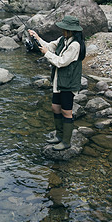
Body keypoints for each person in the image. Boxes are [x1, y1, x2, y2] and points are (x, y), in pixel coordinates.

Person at [27, 15, 86, 151]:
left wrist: (47, 54)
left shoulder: (75, 45)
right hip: (59, 81)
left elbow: (61, 62)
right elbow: (48, 46)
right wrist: (36, 36)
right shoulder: (62, 40)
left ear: (72, 31)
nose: (62, 31)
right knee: (55, 108)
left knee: (66, 112)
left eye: (65, 29)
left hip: (68, 83)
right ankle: (59, 136)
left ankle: (66, 142)